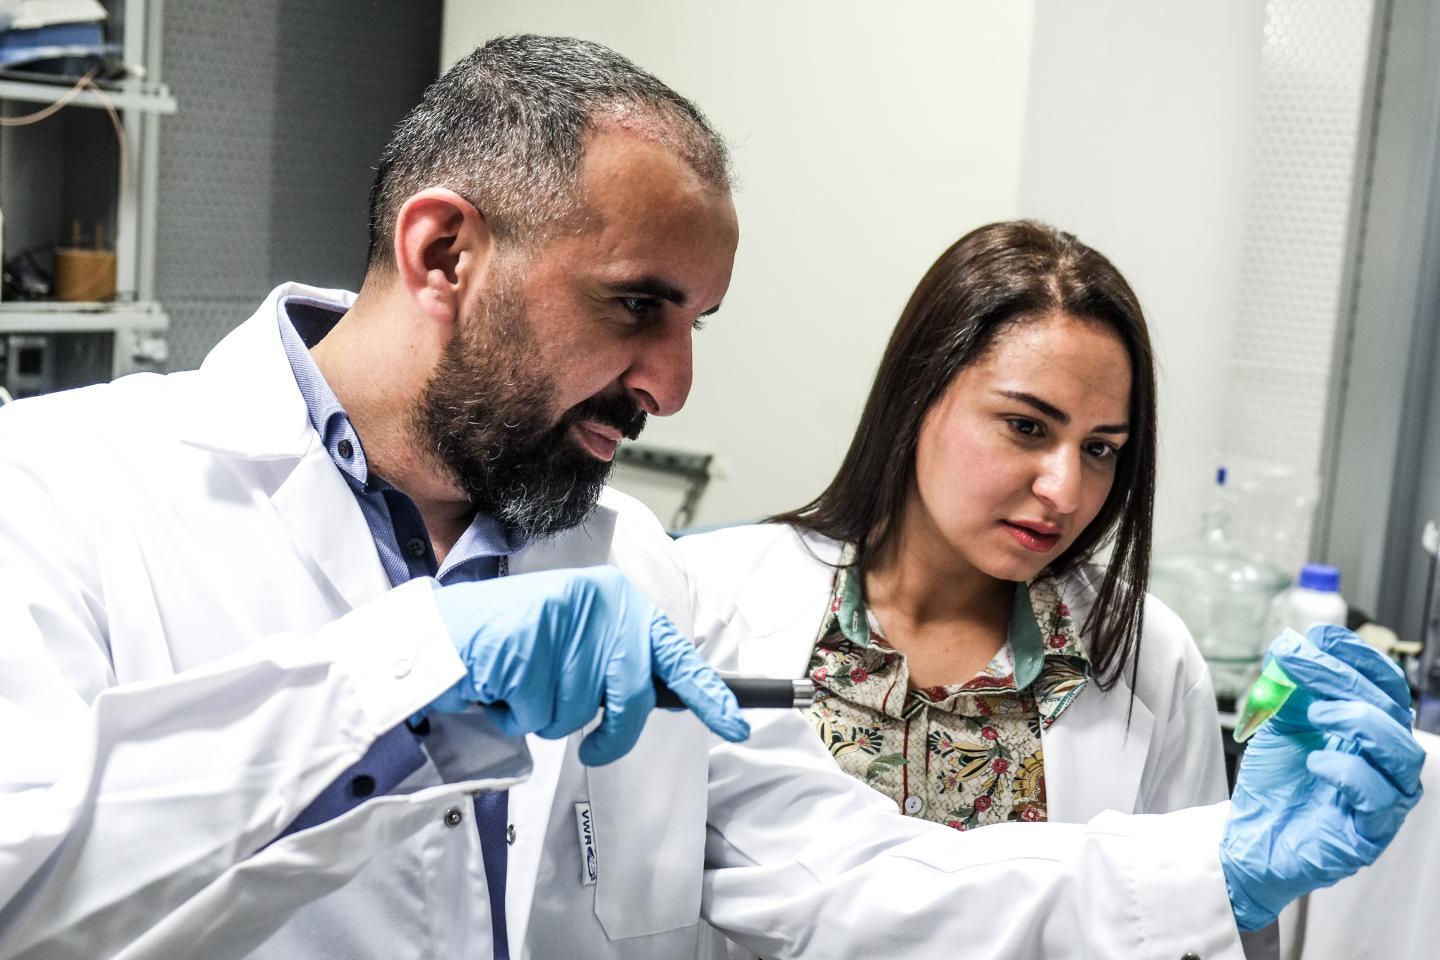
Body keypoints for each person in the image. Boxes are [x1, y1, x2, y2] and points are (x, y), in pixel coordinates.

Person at [0, 34, 1422, 960]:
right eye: (638, 306)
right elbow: (25, 869)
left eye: (698, 324)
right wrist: (404, 681)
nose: (672, 385)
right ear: (443, 251)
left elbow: (858, 880)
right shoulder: (66, 493)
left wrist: (1219, 862)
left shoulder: (624, 565)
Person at [677, 220, 1244, 956]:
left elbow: (1182, 928)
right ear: (920, 395)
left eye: (1101, 449)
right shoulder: (715, 601)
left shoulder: (1147, 656)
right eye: (1026, 427)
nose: (1065, 490)